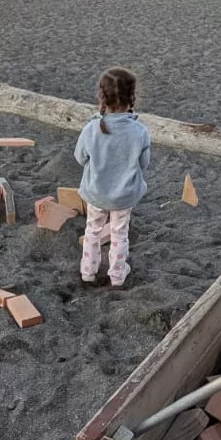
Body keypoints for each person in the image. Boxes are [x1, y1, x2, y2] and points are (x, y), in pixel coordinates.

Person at [74, 67, 151, 287]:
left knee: (92, 230)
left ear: (102, 96)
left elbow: (80, 158)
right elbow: (144, 164)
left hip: (96, 192)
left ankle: (88, 271)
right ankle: (117, 275)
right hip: (124, 195)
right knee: (119, 234)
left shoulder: (91, 129)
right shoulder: (139, 132)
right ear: (132, 97)